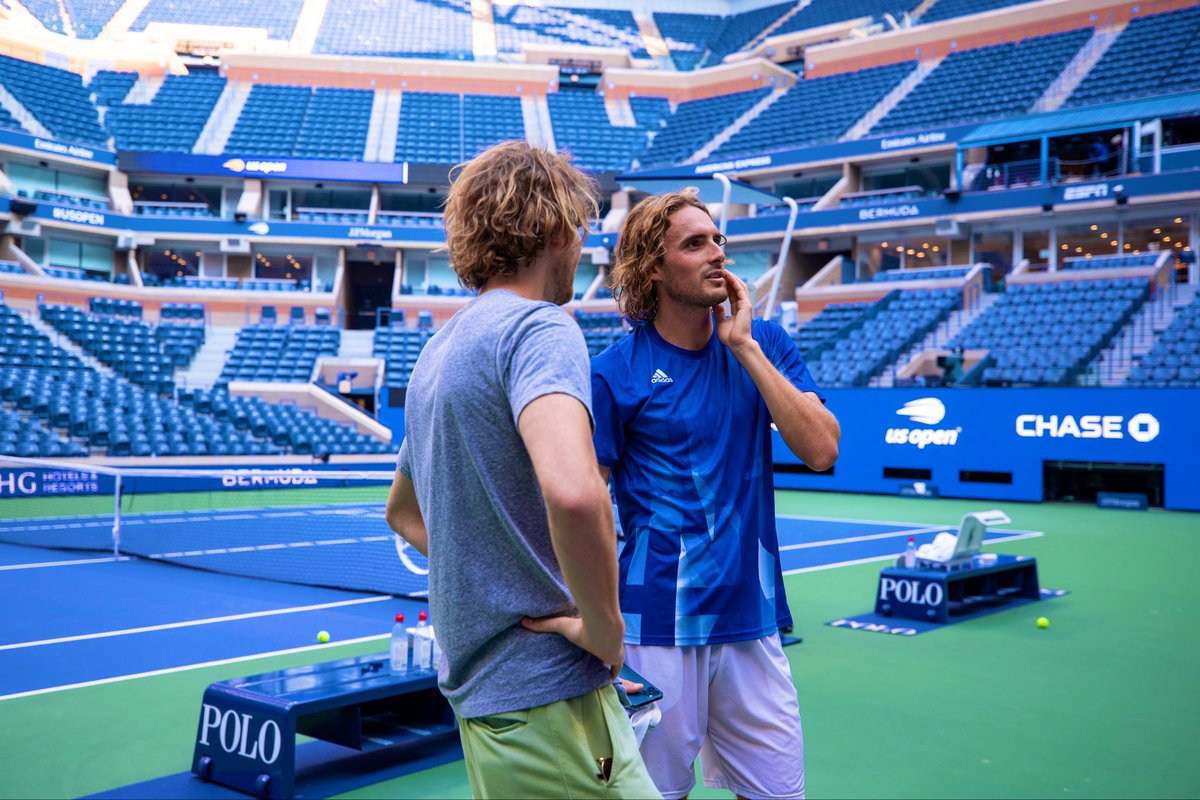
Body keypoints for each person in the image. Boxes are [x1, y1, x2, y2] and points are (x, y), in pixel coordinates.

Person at [385, 141, 659, 799]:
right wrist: (603, 626)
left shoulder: (440, 348)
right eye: (582, 228)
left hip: (489, 699)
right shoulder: (541, 328)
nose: (586, 247)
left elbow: (403, 512)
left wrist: (498, 573)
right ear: (556, 225)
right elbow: (573, 492)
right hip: (549, 695)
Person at [591, 190, 840, 800]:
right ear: (654, 266)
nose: (717, 254)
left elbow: (823, 449)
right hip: (655, 627)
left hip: (752, 619)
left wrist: (745, 347)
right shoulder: (614, 372)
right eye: (695, 243)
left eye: (719, 240)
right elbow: (587, 504)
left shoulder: (767, 344)